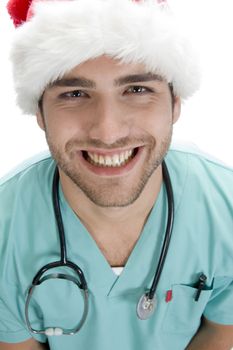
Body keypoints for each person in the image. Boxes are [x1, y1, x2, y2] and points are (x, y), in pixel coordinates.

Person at [0, 0, 233, 349]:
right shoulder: (6, 226)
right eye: (75, 93)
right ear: (39, 112)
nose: (107, 132)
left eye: (137, 90)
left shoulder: (225, 206)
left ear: (175, 104)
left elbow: (220, 333)